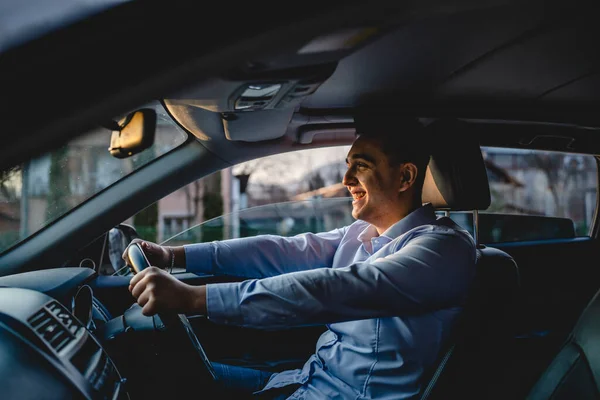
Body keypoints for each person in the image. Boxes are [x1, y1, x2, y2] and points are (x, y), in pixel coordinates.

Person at [126, 116, 476, 399]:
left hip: (348, 395)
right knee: (167, 373)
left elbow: (336, 289)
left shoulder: (443, 248)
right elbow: (281, 250)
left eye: (362, 166)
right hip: (307, 380)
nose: (346, 179)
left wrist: (192, 298)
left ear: (405, 176)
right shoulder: (362, 234)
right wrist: (173, 255)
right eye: (348, 165)